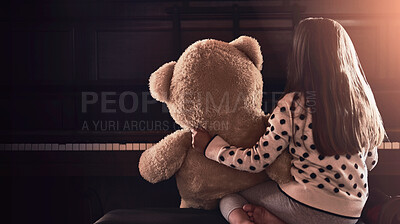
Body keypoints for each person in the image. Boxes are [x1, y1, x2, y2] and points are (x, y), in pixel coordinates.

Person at [191, 17, 386, 224]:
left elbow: (257, 161)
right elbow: (370, 162)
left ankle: (246, 222)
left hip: (306, 206)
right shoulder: (362, 102)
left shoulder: (294, 104)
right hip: (351, 213)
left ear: (300, 57)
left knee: (229, 196)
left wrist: (210, 148)